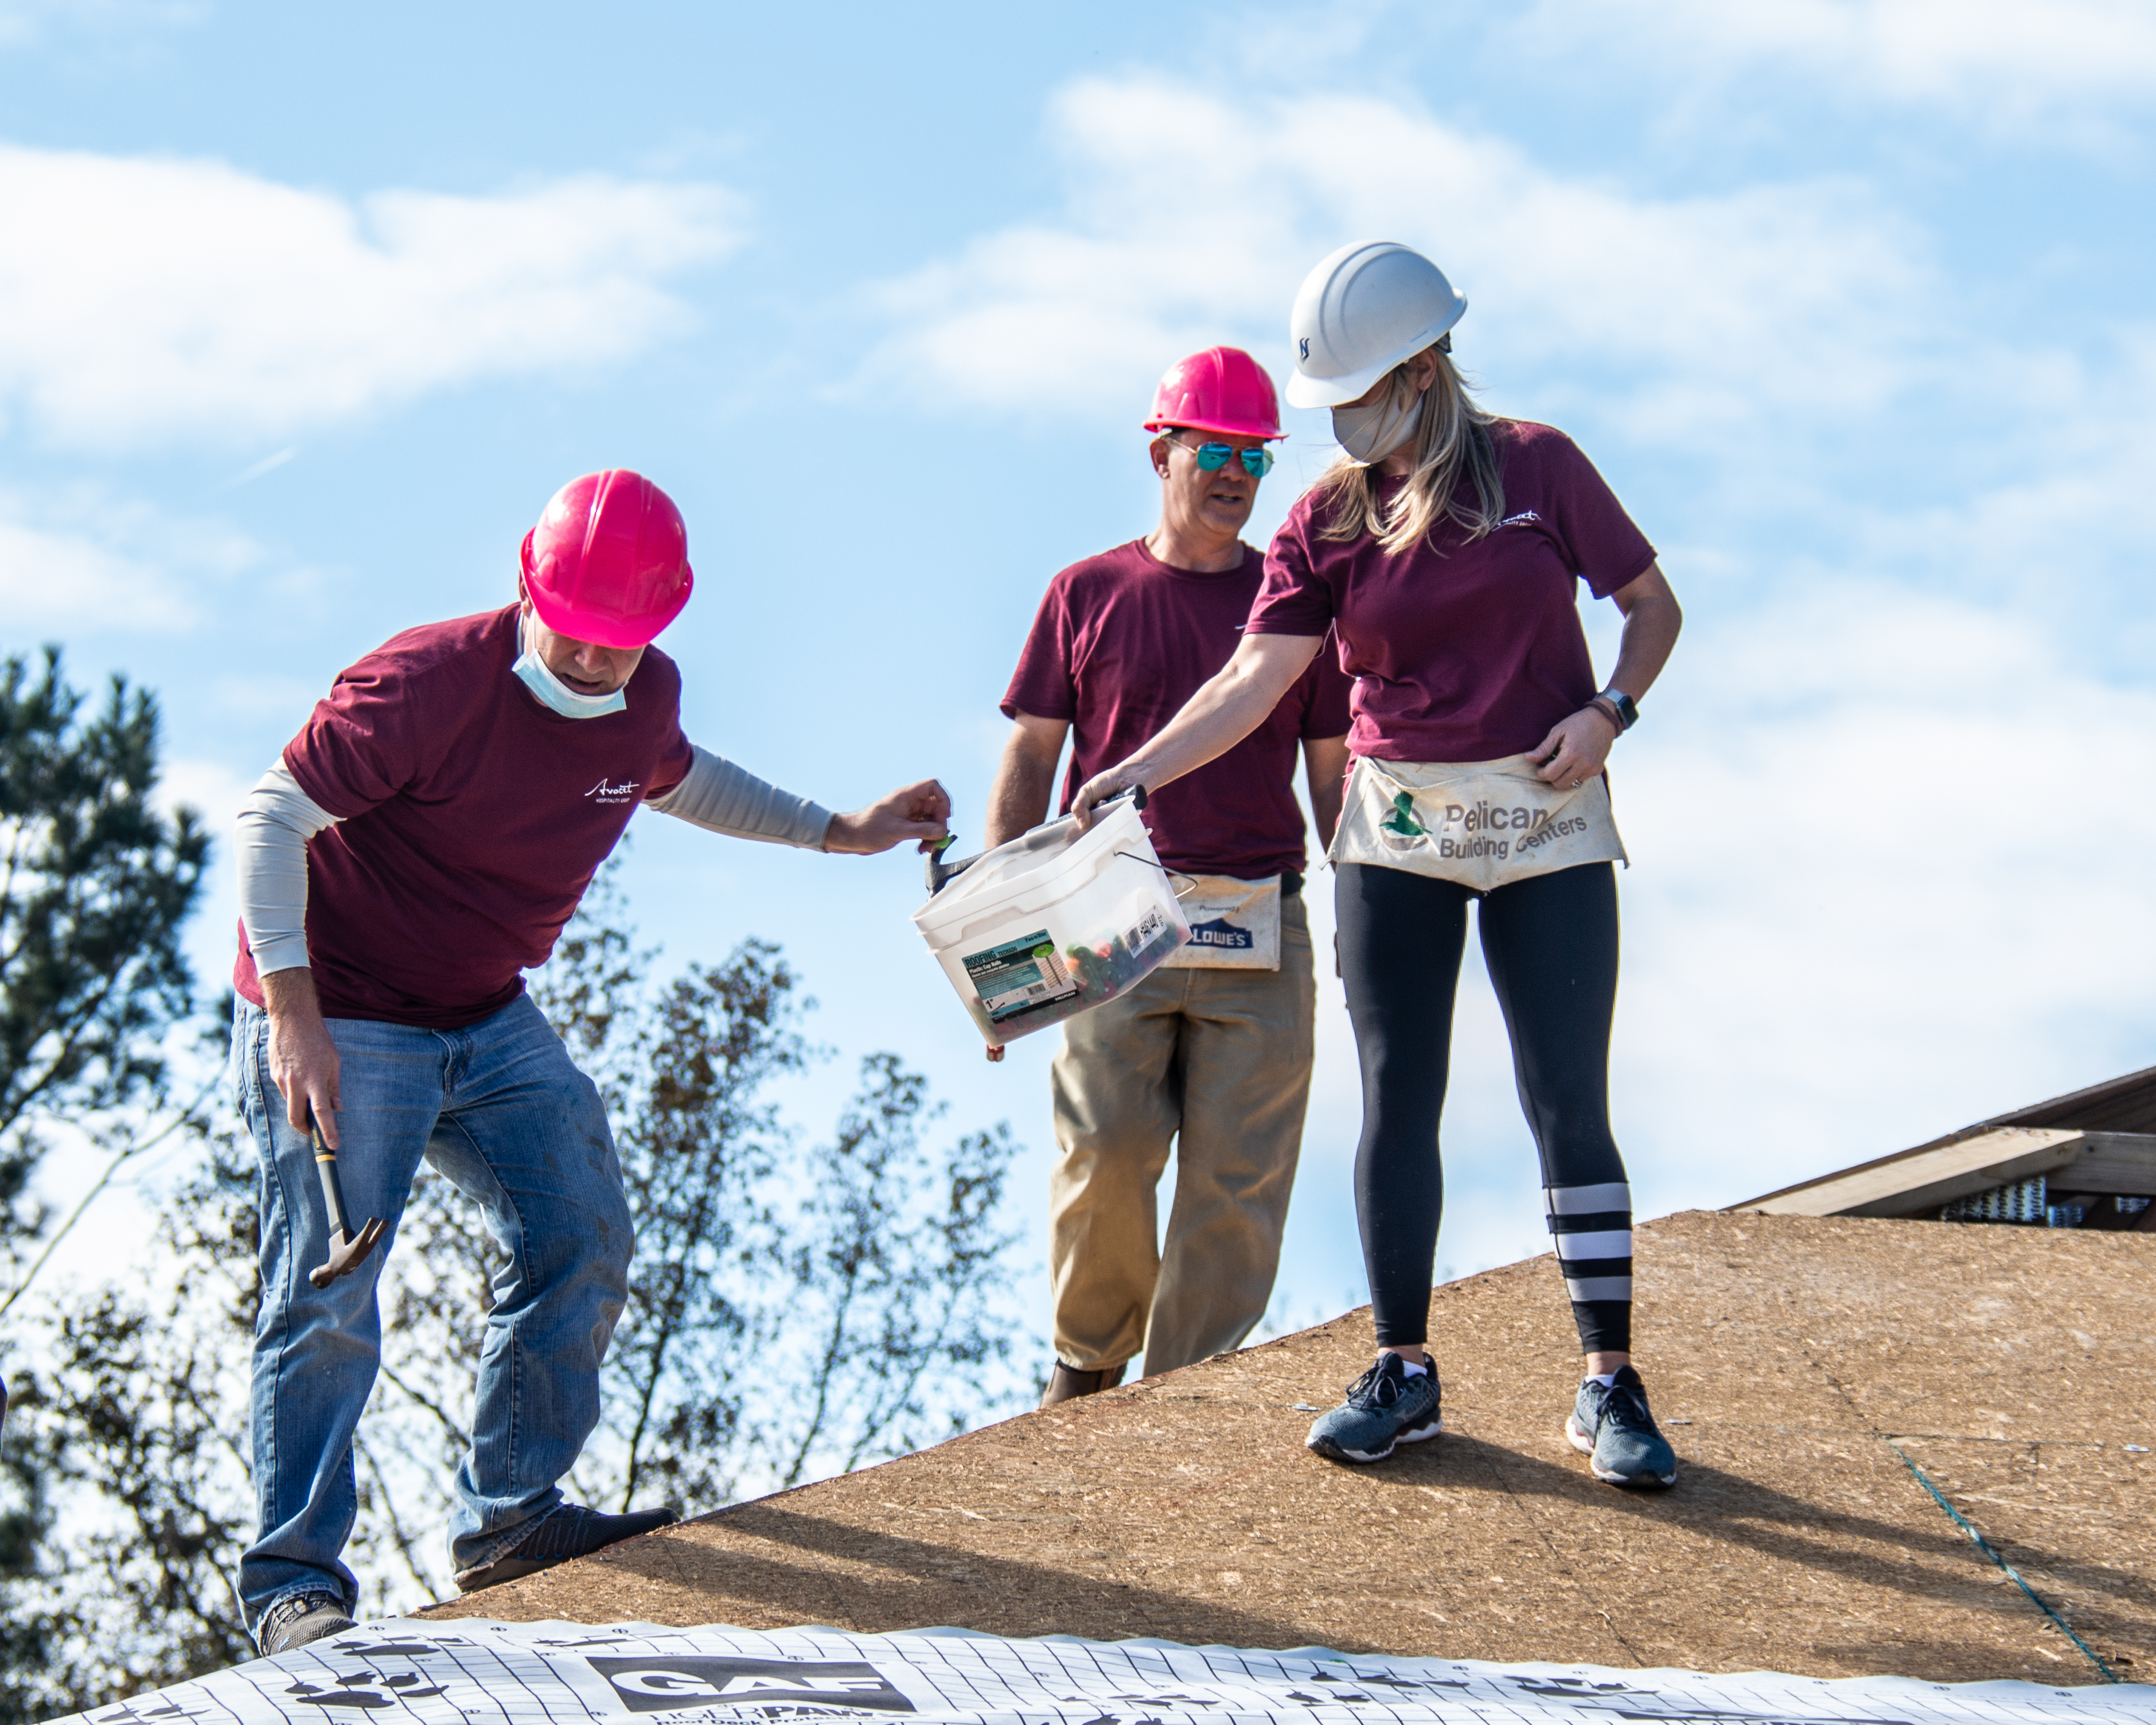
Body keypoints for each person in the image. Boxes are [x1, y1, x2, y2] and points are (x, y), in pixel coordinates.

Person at [231, 470, 951, 1654]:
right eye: (573, 634)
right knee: (329, 1291)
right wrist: (293, 1015)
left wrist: (842, 829)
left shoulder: (642, 693)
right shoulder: (424, 684)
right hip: (345, 1011)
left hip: (485, 1014)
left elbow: (685, 776)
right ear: (529, 587)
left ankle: (511, 1517)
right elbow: (271, 818)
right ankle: (291, 1582)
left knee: (581, 1228)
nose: (591, 662)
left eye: (621, 644)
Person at [1070, 243, 1685, 1487]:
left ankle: (1608, 1384)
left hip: (1543, 820)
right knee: (1398, 1092)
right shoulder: (1327, 516)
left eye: (1356, 392)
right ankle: (1403, 1369)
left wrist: (1610, 709)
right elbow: (1255, 681)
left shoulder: (1539, 466)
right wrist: (1132, 770)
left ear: (1419, 369)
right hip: (1395, 831)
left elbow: (1651, 604)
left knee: (1567, 1096)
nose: (1338, 423)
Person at [989, 348, 1352, 1408]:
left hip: (1259, 925)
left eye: (1256, 456)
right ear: (1162, 452)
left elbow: (1332, 772)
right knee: (1106, 1149)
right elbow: (1029, 759)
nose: (1238, 474)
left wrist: (1364, 912)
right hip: (1113, 920)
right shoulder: (1087, 592)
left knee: (1237, 1185)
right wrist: (1003, 944)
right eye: (1216, 450)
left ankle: (1187, 1398)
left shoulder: (1295, 610)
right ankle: (1089, 1371)